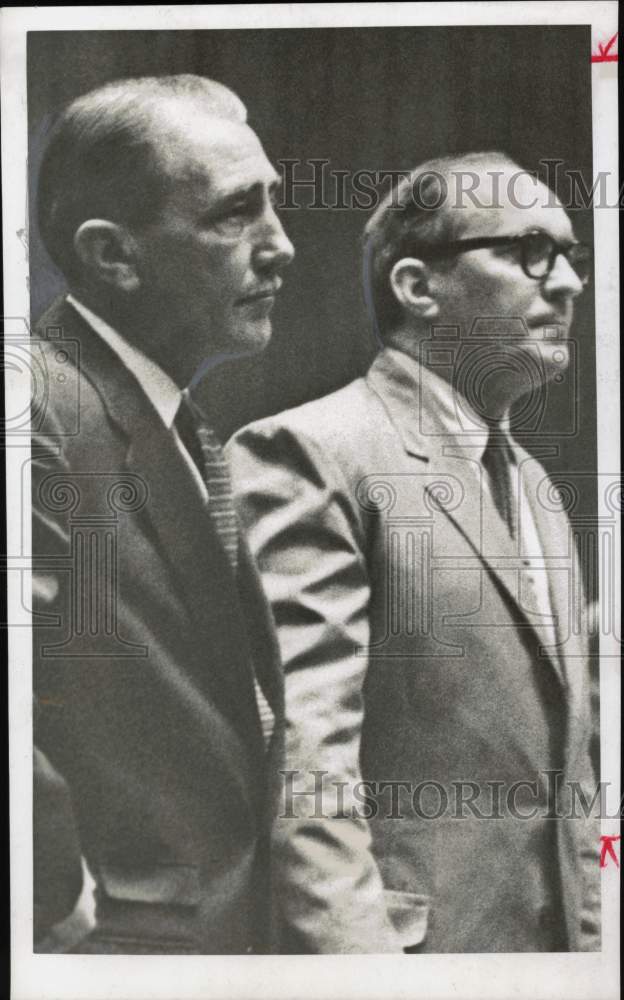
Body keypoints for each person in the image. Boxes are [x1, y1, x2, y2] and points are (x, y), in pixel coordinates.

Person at [228, 153, 600, 953]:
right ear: (417, 287)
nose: (567, 282)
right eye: (530, 251)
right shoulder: (311, 453)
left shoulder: (536, 489)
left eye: (570, 256)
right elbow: (308, 772)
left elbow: (575, 786)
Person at [32, 73, 294, 954]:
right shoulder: (33, 407)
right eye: (234, 214)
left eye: (275, 205)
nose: (281, 247)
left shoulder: (174, 421)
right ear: (113, 255)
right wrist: (60, 912)